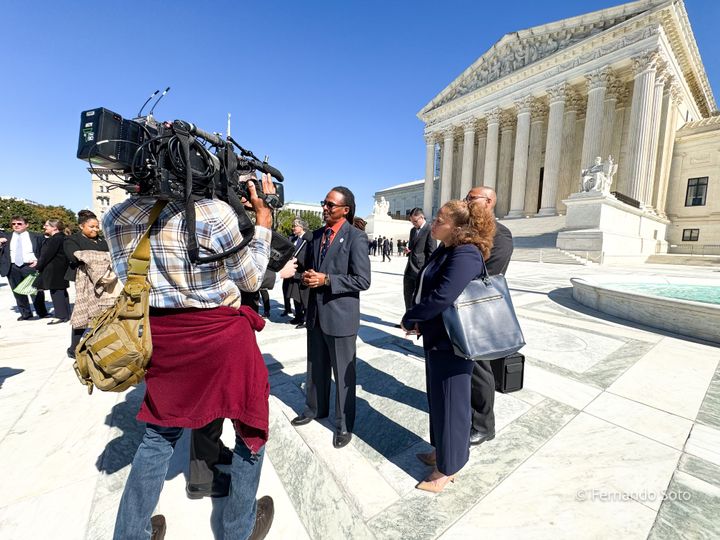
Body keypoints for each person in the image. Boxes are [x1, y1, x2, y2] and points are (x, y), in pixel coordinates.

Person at [104, 174, 279, 540]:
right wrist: (263, 224)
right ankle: (238, 529)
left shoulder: (117, 216)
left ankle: (130, 534)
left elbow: (130, 278)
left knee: (158, 436)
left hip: (163, 339)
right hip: (221, 337)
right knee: (250, 429)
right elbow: (249, 280)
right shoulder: (213, 213)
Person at [401, 199, 495, 493]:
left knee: (453, 403)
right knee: (439, 401)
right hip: (438, 337)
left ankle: (449, 467)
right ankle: (442, 450)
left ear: (457, 228)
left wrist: (411, 317)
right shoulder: (448, 249)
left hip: (455, 342)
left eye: (440, 220)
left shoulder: (466, 253)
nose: (433, 223)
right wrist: (421, 321)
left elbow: (443, 295)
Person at [291, 187, 371, 449]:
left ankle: (344, 424)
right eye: (323, 203)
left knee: (343, 373)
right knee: (316, 368)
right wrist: (305, 276)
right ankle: (315, 409)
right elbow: (302, 268)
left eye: (330, 205)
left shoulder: (356, 238)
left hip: (341, 317)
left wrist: (327, 280)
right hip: (316, 314)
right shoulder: (315, 236)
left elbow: (363, 280)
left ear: (345, 210)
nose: (325, 208)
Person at [465, 186, 514, 446]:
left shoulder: (500, 235)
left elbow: (489, 272)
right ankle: (469, 413)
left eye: (471, 198)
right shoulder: (470, 231)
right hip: (462, 307)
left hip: (480, 308)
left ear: (489, 201)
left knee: (479, 368)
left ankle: (484, 426)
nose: (467, 201)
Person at [64, 210, 112, 358]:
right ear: (81, 226)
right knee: (82, 311)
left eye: (97, 227)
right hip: (84, 282)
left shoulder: (102, 241)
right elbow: (74, 257)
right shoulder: (72, 240)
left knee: (103, 311)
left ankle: (100, 342)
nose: (95, 229)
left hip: (104, 281)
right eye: (92, 227)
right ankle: (74, 347)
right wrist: (99, 258)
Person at [0, 216, 48, 320]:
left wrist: (38, 261)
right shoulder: (6, 237)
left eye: (19, 223)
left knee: (35, 290)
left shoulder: (37, 236)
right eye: (13, 224)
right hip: (12, 267)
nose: (16, 225)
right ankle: (25, 314)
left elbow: (44, 251)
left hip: (30, 266)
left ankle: (42, 312)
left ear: (26, 225)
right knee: (17, 291)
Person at [34, 219, 71, 323]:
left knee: (56, 291)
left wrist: (38, 266)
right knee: (62, 291)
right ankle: (66, 314)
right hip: (61, 268)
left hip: (54, 270)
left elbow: (46, 255)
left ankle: (60, 316)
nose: (44, 227)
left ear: (54, 227)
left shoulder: (55, 239)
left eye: (46, 225)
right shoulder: (63, 237)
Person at [402, 208, 436, 311]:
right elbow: (413, 248)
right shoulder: (412, 230)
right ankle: (408, 321)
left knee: (419, 298)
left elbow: (431, 252)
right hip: (409, 268)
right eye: (411, 221)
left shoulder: (430, 229)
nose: (413, 223)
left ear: (422, 217)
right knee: (407, 295)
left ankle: (417, 323)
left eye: (415, 221)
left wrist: (428, 272)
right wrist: (409, 251)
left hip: (421, 270)